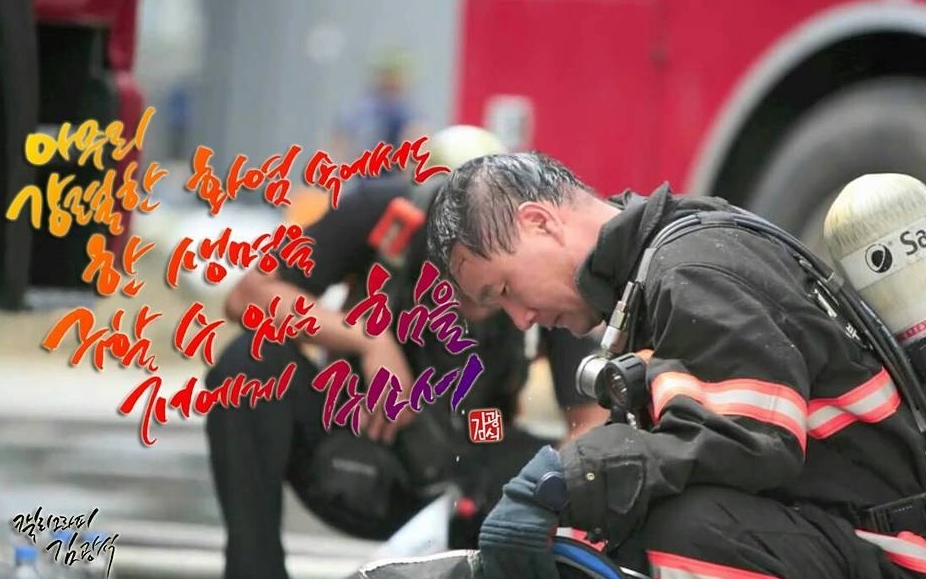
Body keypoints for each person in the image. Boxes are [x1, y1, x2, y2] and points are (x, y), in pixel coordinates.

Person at [425, 151, 926, 579]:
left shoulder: (692, 268)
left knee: (668, 532)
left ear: (539, 221)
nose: (519, 319)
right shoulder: (651, 273)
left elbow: (747, 438)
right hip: (839, 534)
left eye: (505, 289)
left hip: (894, 553)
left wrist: (565, 480)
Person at [204, 131, 607, 579]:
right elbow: (248, 297)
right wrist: (368, 340)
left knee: (570, 467)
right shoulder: (384, 215)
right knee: (250, 363)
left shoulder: (542, 268)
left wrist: (537, 496)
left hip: (476, 447)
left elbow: (589, 423)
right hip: (356, 433)